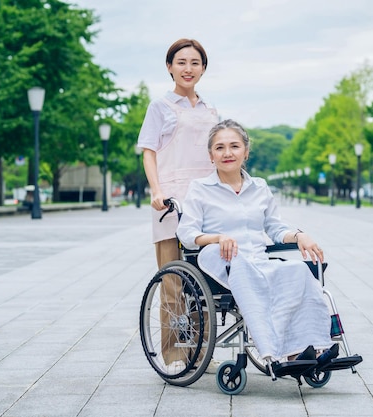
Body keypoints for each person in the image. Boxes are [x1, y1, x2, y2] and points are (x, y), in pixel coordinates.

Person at [176, 119, 338, 370]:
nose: (227, 153)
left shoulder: (259, 187)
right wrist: (217, 237)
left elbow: (274, 228)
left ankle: (307, 349)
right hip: (219, 258)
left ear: (246, 152)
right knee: (243, 268)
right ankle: (274, 352)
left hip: (257, 259)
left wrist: (298, 235)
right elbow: (187, 233)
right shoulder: (201, 188)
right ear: (211, 155)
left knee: (297, 270)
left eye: (234, 146)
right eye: (219, 148)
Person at [137, 38, 219, 367]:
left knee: (208, 281)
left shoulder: (211, 111)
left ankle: (203, 349)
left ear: (203, 68)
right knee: (174, 280)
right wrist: (156, 191)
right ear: (170, 67)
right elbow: (149, 151)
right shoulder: (160, 107)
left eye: (195, 62)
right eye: (181, 62)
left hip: (206, 200)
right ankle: (174, 352)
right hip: (170, 202)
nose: (188, 68)